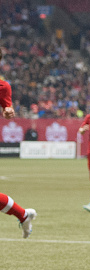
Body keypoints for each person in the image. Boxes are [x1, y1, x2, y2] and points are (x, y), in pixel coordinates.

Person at [0, 50, 36, 237]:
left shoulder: (3, 86)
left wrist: (8, 111)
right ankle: (23, 215)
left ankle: (23, 215)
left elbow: (7, 107)